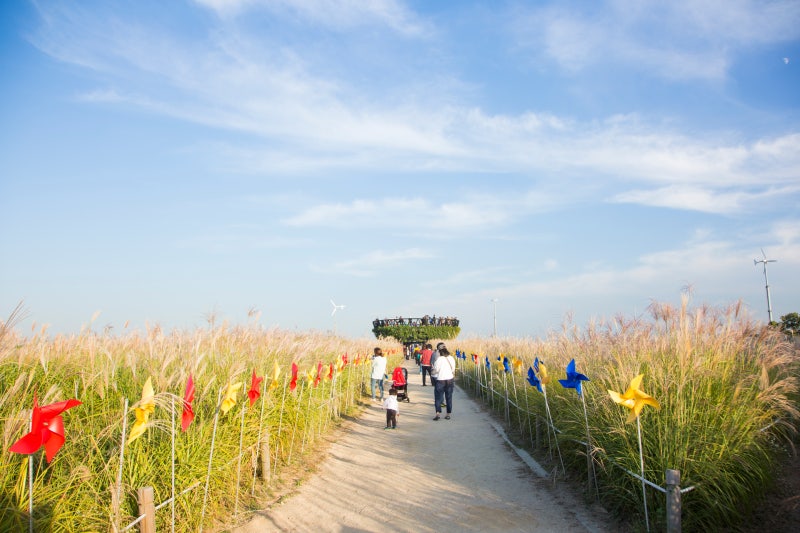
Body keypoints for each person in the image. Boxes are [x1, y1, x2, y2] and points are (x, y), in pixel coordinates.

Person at [432, 345, 456, 421]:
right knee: (449, 397)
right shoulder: (451, 358)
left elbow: (436, 370)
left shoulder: (439, 359)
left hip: (441, 380)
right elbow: (453, 369)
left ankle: (438, 413)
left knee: (438, 397)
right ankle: (448, 414)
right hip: (450, 379)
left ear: (440, 352)